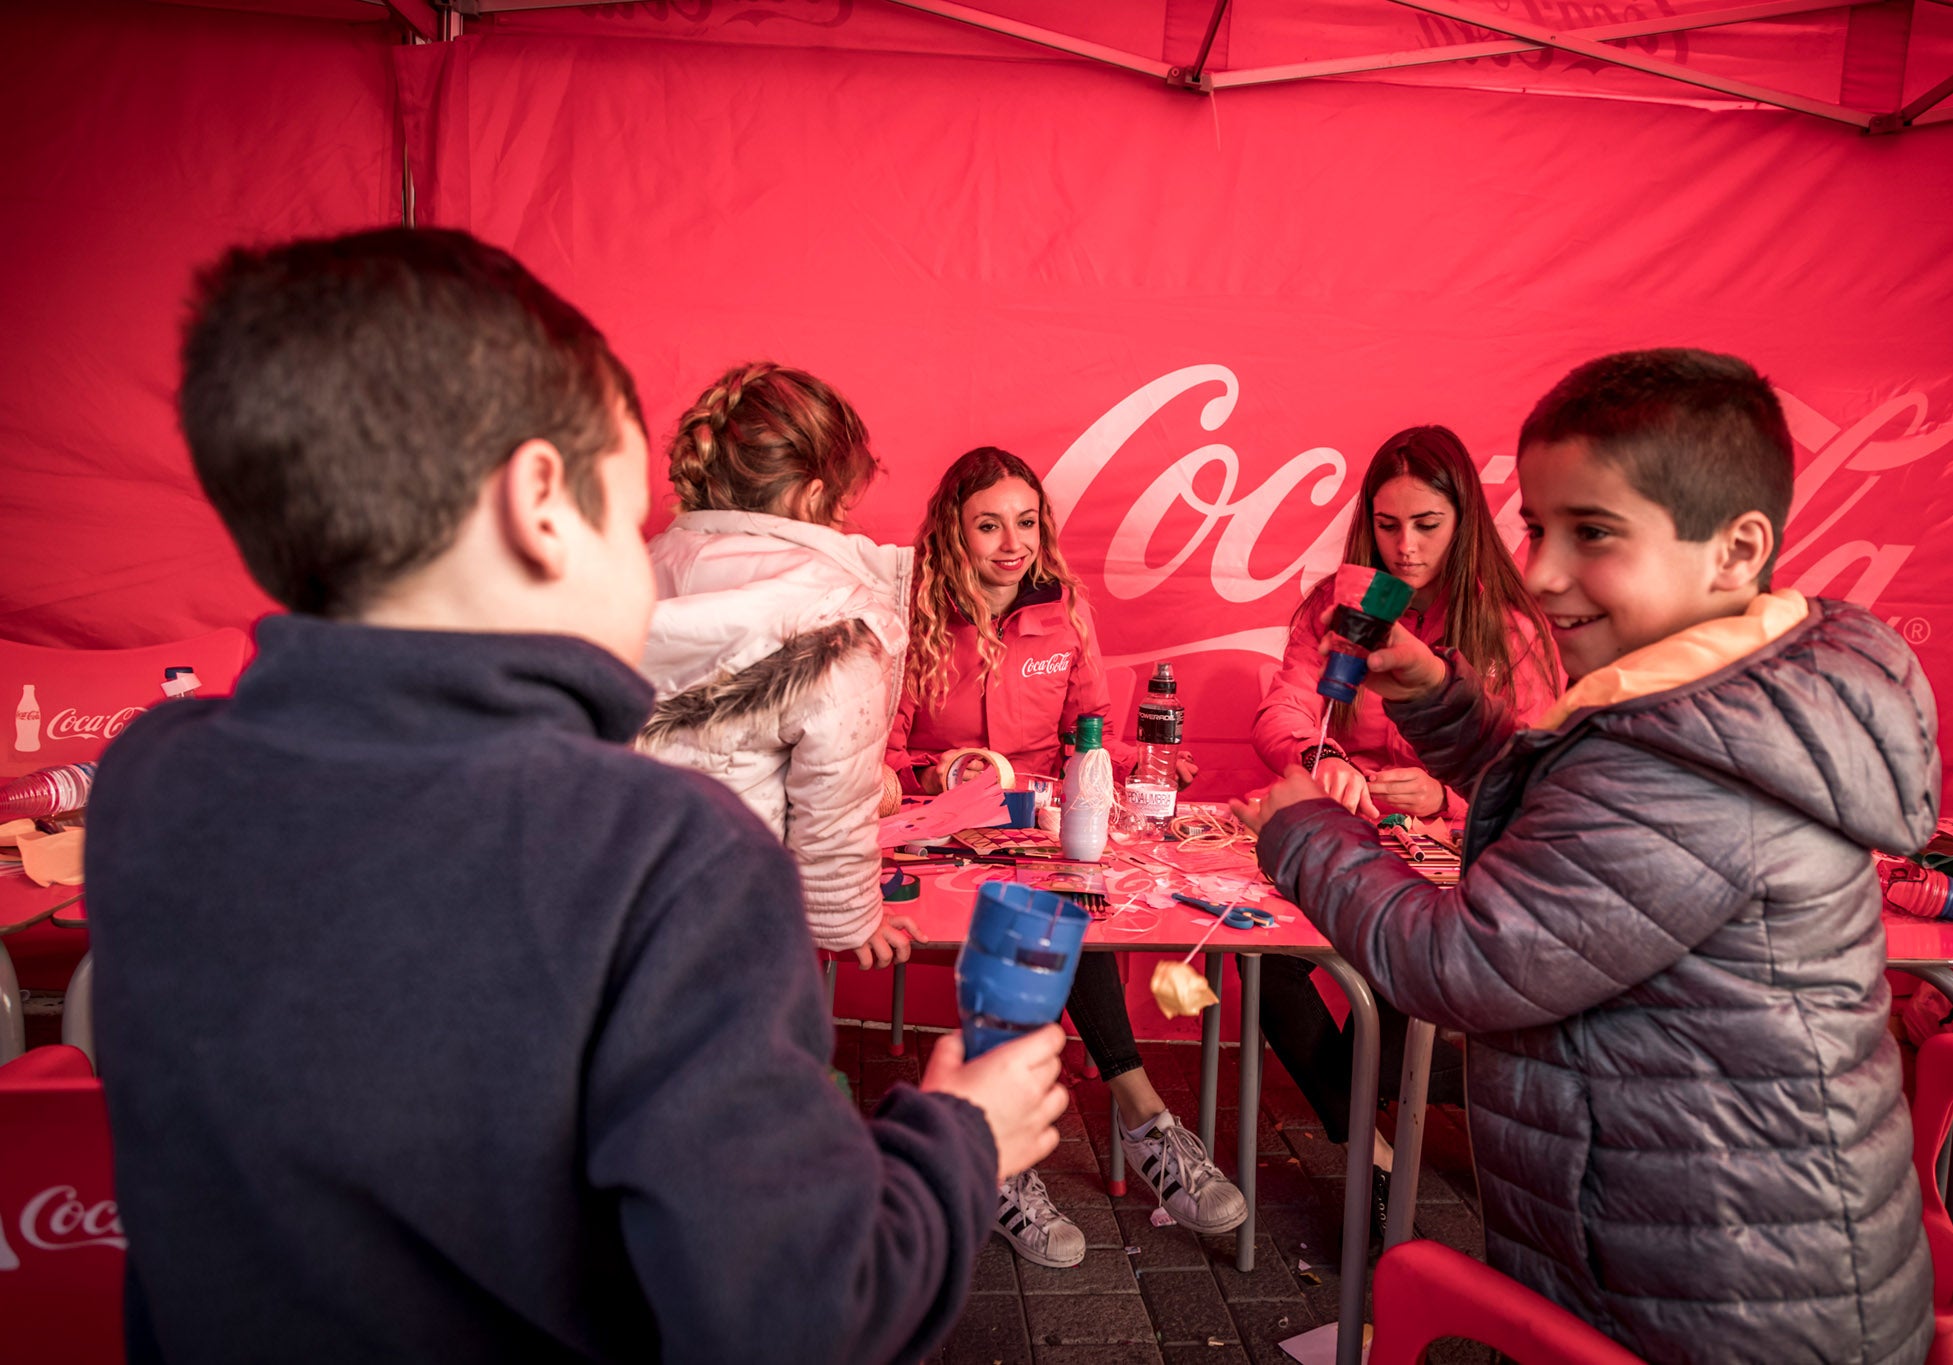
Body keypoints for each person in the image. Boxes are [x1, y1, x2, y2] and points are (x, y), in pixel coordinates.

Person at [84, 227, 1069, 1364]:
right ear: (542, 501)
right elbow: (797, 1313)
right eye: (623, 496)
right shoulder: (673, 858)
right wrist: (959, 1143)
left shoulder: (153, 781)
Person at [1235, 349, 1936, 1363]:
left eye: (1592, 535)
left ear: (1736, 549)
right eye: (1537, 528)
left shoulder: (1692, 763)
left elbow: (1466, 962)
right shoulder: (1710, 702)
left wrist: (1302, 832)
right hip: (1691, 1251)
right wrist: (1435, 695)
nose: (1542, 571)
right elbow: (1564, 810)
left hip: (1723, 1301)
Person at [888, 446, 1243, 1269]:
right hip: (941, 833)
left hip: (1040, 833)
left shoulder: (1065, 610)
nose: (1012, 543)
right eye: (988, 525)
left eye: (1025, 521)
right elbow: (884, 751)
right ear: (954, 530)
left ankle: (1012, 1156)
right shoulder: (910, 613)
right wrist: (942, 770)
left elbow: (1089, 732)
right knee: (1049, 914)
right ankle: (1138, 1119)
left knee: (1058, 903)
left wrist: (1135, 763)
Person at [1249, 427, 1562, 1188]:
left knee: (1393, 999)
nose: (1406, 548)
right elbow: (1283, 713)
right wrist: (1322, 757)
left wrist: (1445, 795)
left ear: (1466, 523)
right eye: (1388, 526)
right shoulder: (1337, 605)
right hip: (1341, 839)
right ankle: (1370, 1151)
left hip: (1447, 867)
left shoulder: (1508, 624)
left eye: (1427, 525)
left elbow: (1538, 771)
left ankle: (1453, 1101)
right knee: (1257, 957)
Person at [637, 361, 920, 970]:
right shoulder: (836, 614)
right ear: (813, 496)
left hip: (609, 895)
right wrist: (849, 916)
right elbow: (835, 797)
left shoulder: (634, 568)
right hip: (733, 916)